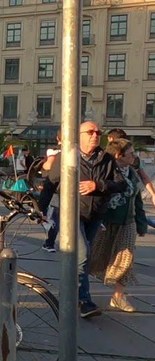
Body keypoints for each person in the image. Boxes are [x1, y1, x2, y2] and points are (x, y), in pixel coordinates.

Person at [47, 121, 127, 318]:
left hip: (94, 214)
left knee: (82, 258)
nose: (95, 135)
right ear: (79, 135)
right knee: (83, 255)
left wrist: (98, 185)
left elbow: (121, 184)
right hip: (70, 213)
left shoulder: (106, 158)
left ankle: (69, 292)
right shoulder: (66, 156)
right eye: (90, 132)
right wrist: (40, 208)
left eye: (98, 132)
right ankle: (84, 301)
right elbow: (51, 183)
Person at [89, 139, 147, 312]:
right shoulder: (106, 171)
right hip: (104, 221)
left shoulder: (132, 173)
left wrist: (141, 223)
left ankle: (118, 297)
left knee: (126, 257)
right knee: (93, 259)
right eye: (130, 153)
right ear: (118, 155)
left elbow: (137, 200)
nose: (134, 156)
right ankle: (80, 292)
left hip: (127, 222)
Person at [107, 128, 155, 207]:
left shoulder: (105, 158)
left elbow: (143, 176)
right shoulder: (106, 162)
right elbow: (144, 177)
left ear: (111, 138)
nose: (134, 156)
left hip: (132, 194)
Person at [39, 133, 62, 253]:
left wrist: (43, 164)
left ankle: (50, 243)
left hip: (55, 187)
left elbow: (48, 167)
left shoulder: (54, 151)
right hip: (67, 189)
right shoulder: (76, 151)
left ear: (58, 138)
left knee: (54, 217)